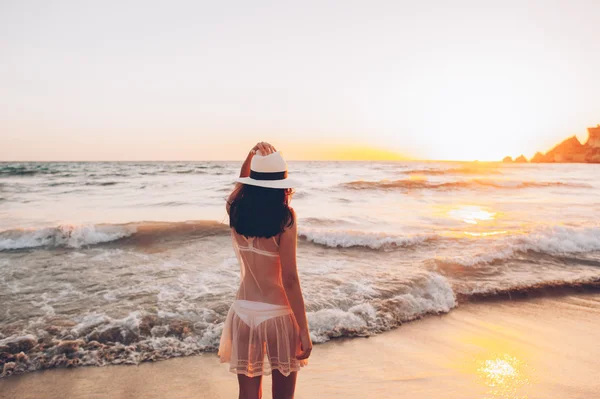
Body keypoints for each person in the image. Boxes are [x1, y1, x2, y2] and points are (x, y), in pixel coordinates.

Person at [218, 142, 312, 399]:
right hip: (278, 315)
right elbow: (290, 279)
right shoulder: (285, 217)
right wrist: (303, 329)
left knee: (248, 396)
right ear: (282, 183)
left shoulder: (236, 211)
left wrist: (251, 156)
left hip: (243, 313)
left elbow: (237, 190)